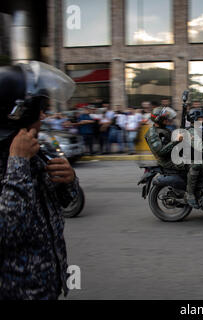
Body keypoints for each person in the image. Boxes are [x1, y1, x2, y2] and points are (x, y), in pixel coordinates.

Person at [0, 61, 80, 299]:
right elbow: (6, 231)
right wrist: (17, 163)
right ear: (18, 112)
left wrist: (69, 181)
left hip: (47, 285)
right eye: (39, 108)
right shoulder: (19, 157)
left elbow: (65, 204)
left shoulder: (36, 149)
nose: (44, 115)